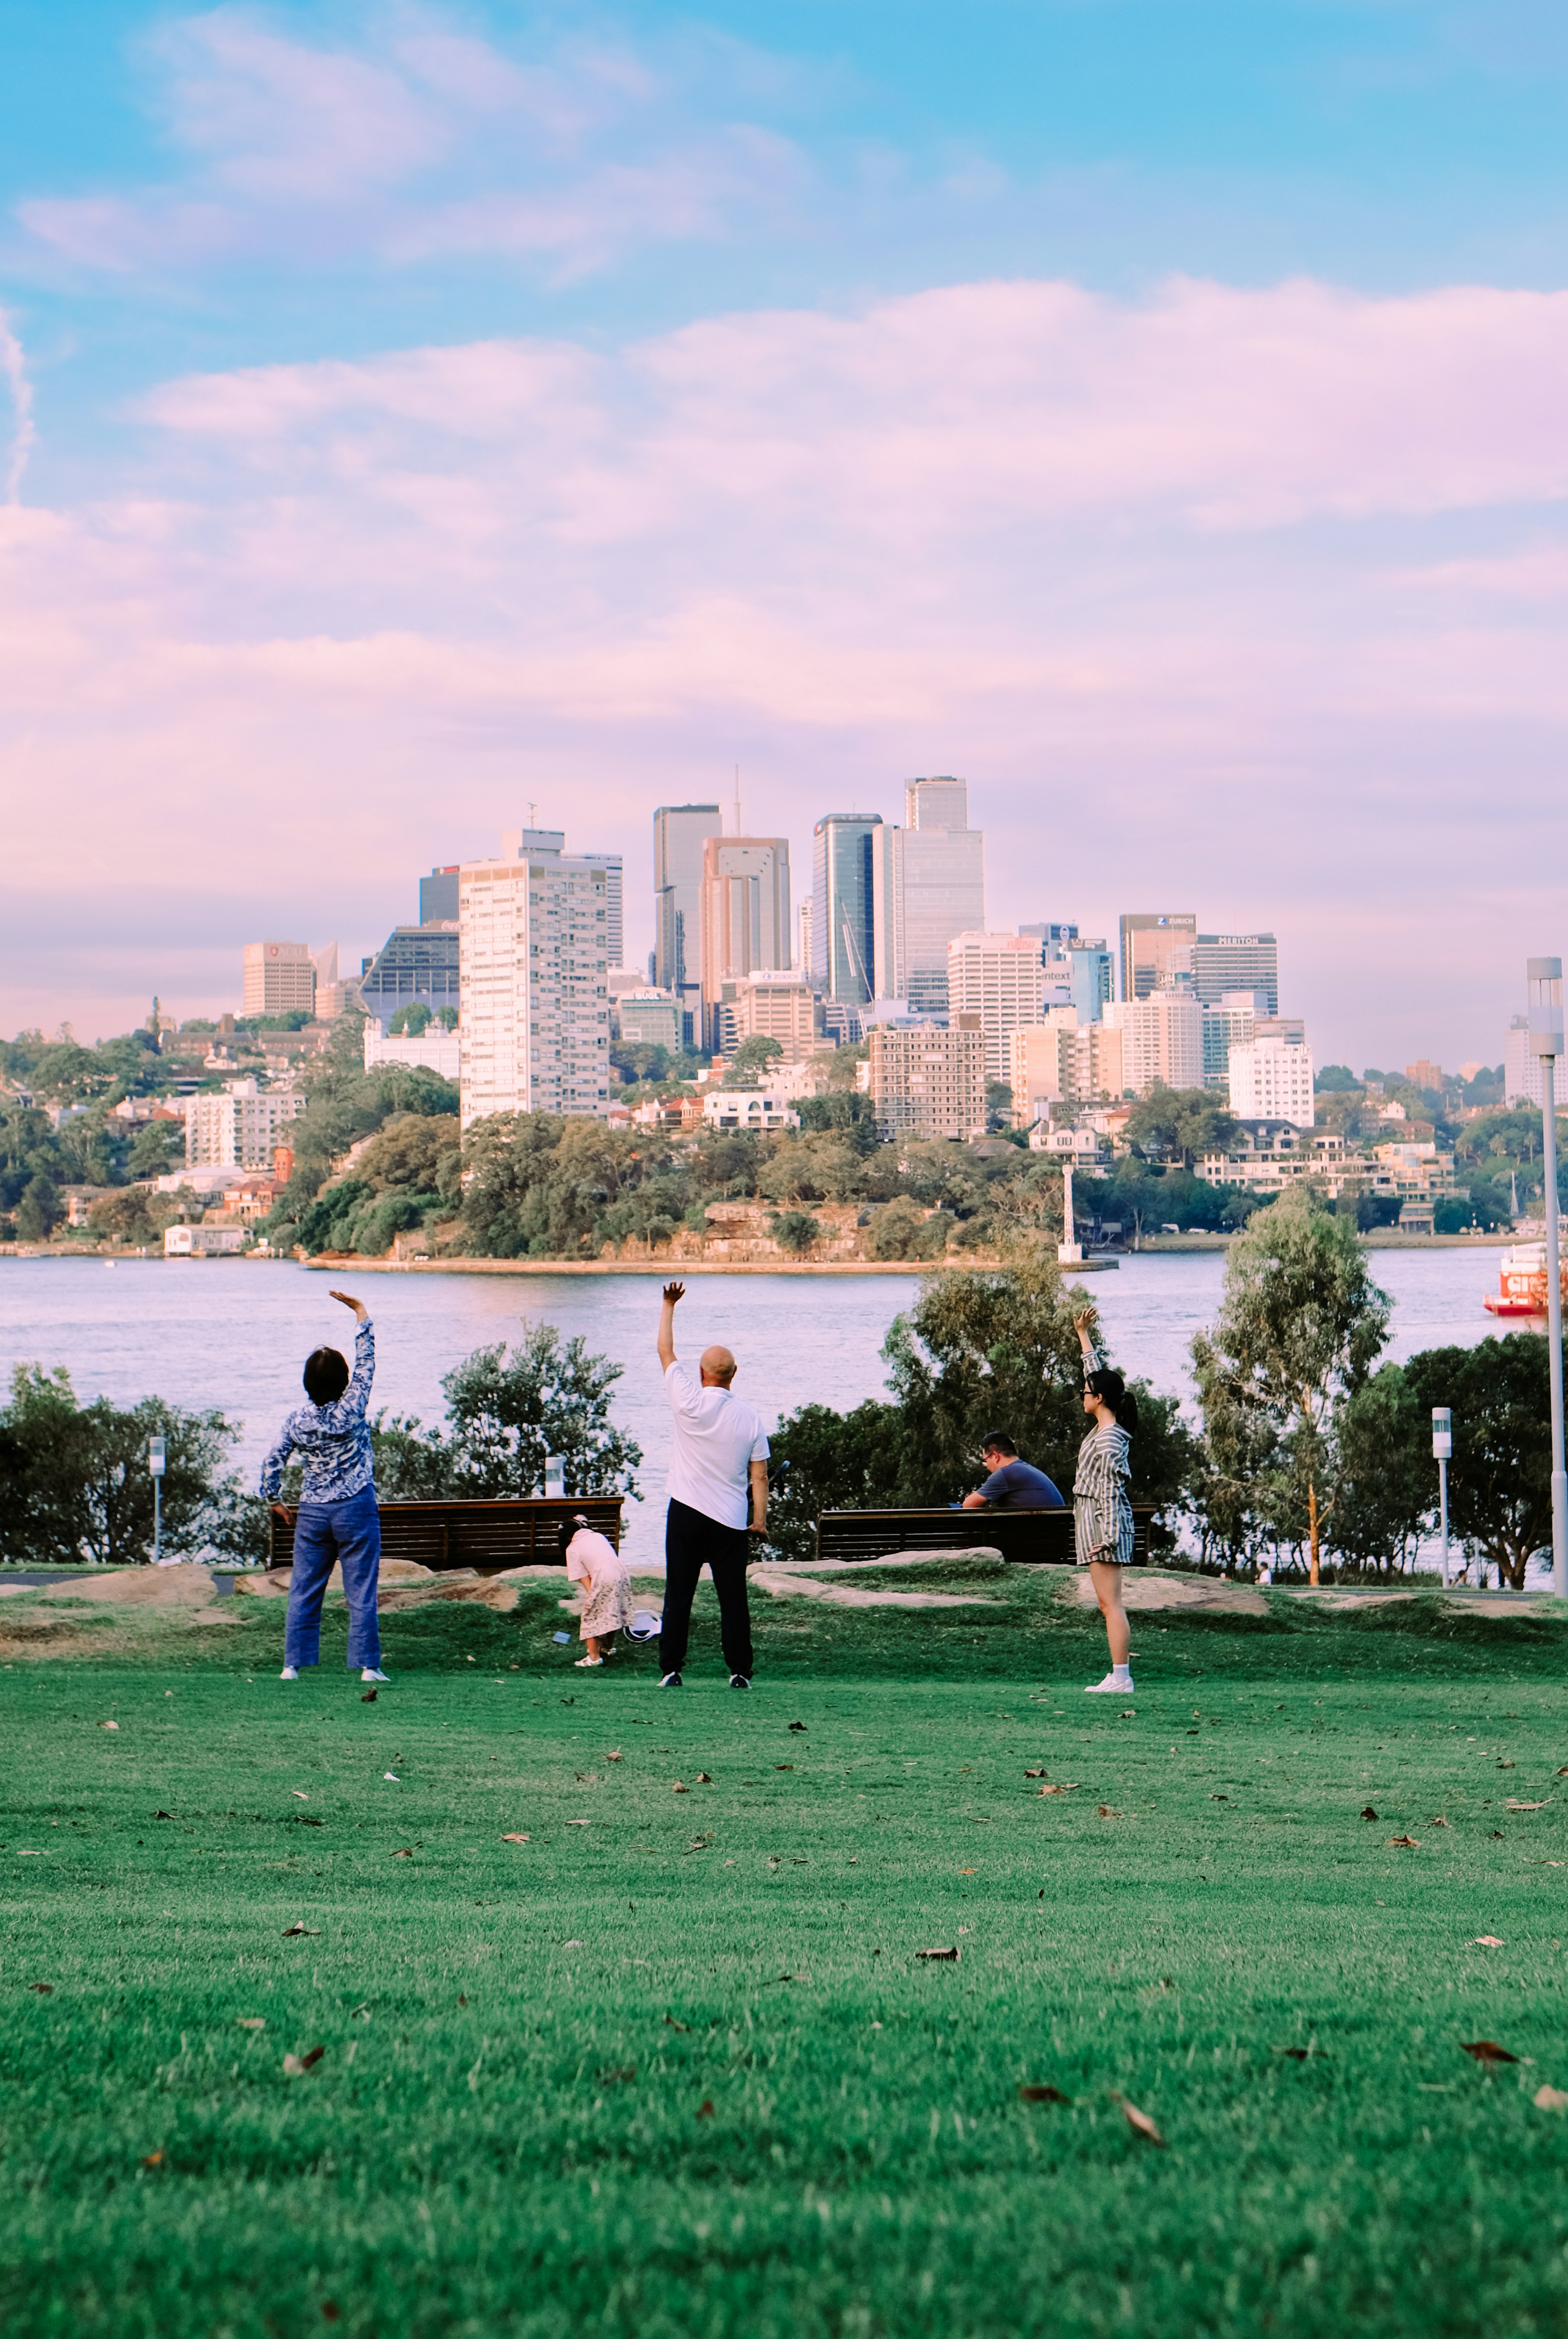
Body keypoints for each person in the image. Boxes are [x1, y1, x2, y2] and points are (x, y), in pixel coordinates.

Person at [260, 1289, 388, 1686]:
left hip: (313, 1512)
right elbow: (367, 1363)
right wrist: (361, 1314)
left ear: (307, 1384)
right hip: (355, 1507)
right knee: (361, 1590)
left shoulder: (297, 1420)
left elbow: (272, 1459)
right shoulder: (353, 1406)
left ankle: (292, 1665)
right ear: (344, 1381)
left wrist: (274, 1499)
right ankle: (368, 1666)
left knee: (303, 1588)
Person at [655, 1280, 770, 1690]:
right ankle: (739, 1672)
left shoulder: (686, 1399)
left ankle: (671, 1670)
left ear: (702, 1373)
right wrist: (758, 1520)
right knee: (733, 1600)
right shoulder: (751, 1419)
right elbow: (759, 1476)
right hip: (729, 1520)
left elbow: (666, 1352)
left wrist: (669, 1305)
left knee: (678, 1595)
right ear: (733, 1374)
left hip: (685, 1512)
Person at [1072, 1306, 1139, 1695]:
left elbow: (1112, 1489)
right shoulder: (1104, 1424)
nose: (1082, 1395)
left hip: (1102, 1521)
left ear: (1098, 1399)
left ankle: (1121, 1676)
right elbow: (1094, 1375)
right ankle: (1117, 1675)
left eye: (1086, 1393)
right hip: (1094, 1518)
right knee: (1105, 1602)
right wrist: (1083, 1335)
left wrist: (1110, 1536)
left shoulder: (1111, 1438)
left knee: (1110, 1603)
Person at [565, 1520, 634, 1668]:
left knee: (590, 1616)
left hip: (605, 1576)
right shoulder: (598, 1536)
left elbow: (585, 1580)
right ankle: (607, 1648)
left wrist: (592, 1598)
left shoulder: (572, 1548)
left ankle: (594, 1658)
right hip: (621, 1572)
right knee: (613, 1612)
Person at [961, 1433, 1065, 1511]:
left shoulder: (1005, 1474)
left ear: (996, 1457)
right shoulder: (1028, 1470)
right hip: (1055, 1535)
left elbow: (968, 1506)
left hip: (1034, 1537)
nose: (987, 1466)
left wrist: (976, 1497)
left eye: (986, 1461)